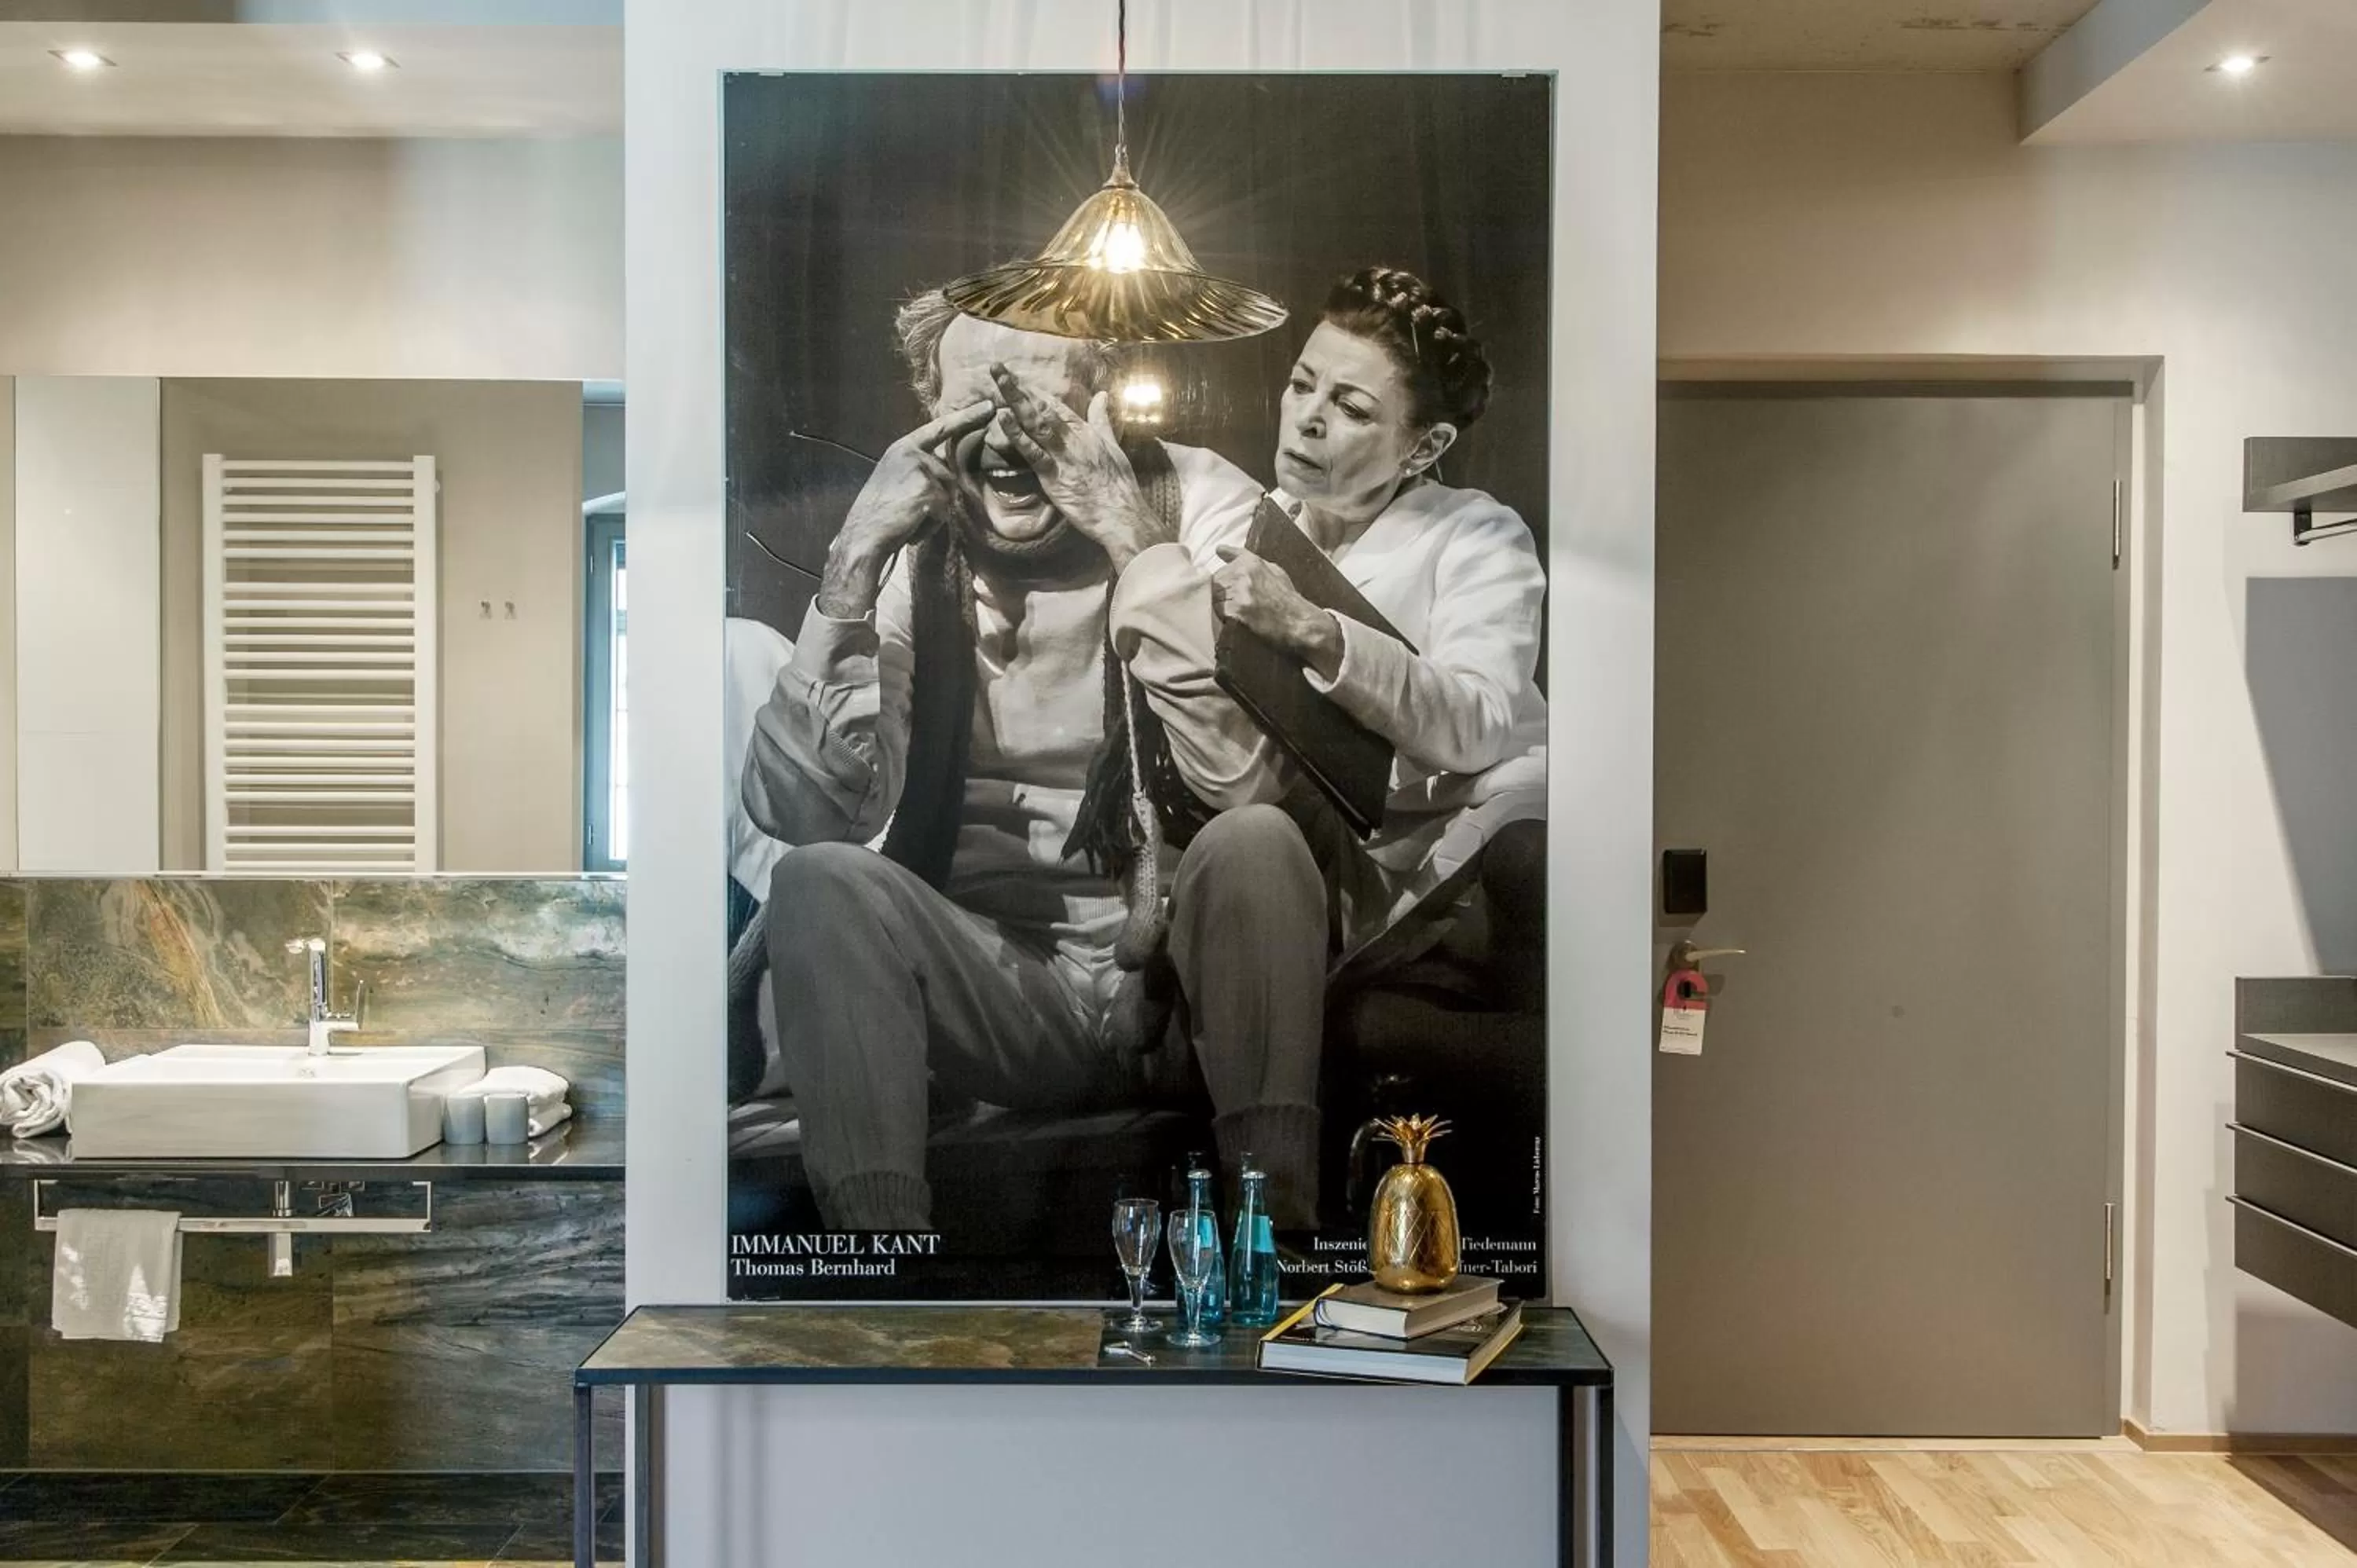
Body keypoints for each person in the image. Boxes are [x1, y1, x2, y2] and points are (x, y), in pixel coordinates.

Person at [742, 288, 1328, 1232]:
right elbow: (806, 815)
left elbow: (1244, 773)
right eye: (979, 409)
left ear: (1102, 401)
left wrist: (1132, 536)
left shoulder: (1205, 499)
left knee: (1259, 837)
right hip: (1004, 996)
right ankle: (882, 1269)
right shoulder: (911, 547)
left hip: (1183, 984)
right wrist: (850, 564)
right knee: (817, 880)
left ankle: (1281, 1236)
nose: (1010, 443)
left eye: (1037, 408)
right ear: (930, 411)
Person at [1205, 266, 1548, 966]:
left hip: (1489, 851)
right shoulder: (1257, 527)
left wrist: (1313, 631)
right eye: (1302, 385)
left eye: (1353, 408)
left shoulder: (1478, 533)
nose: (1309, 418)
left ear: (1424, 448)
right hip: (1336, 864)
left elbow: (1480, 725)